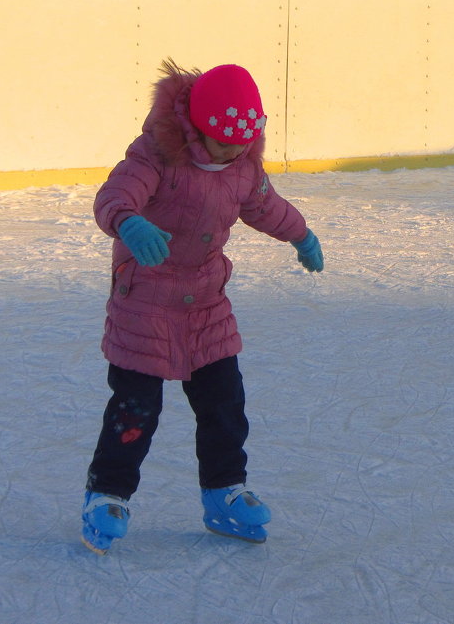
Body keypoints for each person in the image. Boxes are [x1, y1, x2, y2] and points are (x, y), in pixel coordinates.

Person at [81, 61, 324, 554]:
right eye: (224, 142)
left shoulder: (241, 167)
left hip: (207, 304)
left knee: (225, 406)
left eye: (243, 143)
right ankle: (106, 495)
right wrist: (128, 222)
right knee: (135, 413)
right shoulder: (155, 155)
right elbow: (114, 195)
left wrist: (300, 234)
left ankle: (224, 492)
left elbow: (265, 205)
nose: (234, 151)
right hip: (144, 304)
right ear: (198, 127)